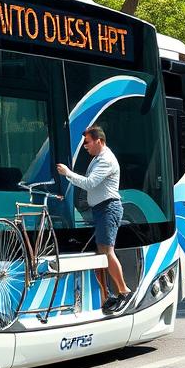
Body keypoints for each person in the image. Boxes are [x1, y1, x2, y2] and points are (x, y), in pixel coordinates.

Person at [56, 125, 133, 314]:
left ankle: (124, 291)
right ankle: (111, 293)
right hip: (100, 210)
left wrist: (68, 174)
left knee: (107, 251)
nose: (85, 146)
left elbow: (90, 183)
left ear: (99, 141)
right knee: (102, 252)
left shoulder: (106, 160)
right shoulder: (98, 158)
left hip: (108, 209)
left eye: (87, 142)